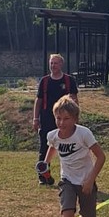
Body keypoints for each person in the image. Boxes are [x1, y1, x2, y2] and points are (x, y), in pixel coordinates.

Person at [43, 95, 105, 217]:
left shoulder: (84, 134)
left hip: (86, 182)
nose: (61, 123)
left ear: (75, 119)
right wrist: (45, 164)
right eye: (58, 118)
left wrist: (90, 180)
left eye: (66, 119)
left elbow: (101, 157)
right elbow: (53, 147)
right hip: (67, 181)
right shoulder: (52, 136)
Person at [33, 53, 78, 181]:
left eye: (56, 63)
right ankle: (44, 176)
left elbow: (74, 99)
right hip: (47, 119)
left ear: (61, 64)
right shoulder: (44, 81)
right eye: (51, 63)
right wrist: (35, 118)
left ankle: (72, 176)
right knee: (44, 147)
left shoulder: (69, 80)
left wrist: (75, 118)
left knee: (71, 146)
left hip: (66, 119)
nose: (53, 65)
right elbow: (39, 100)